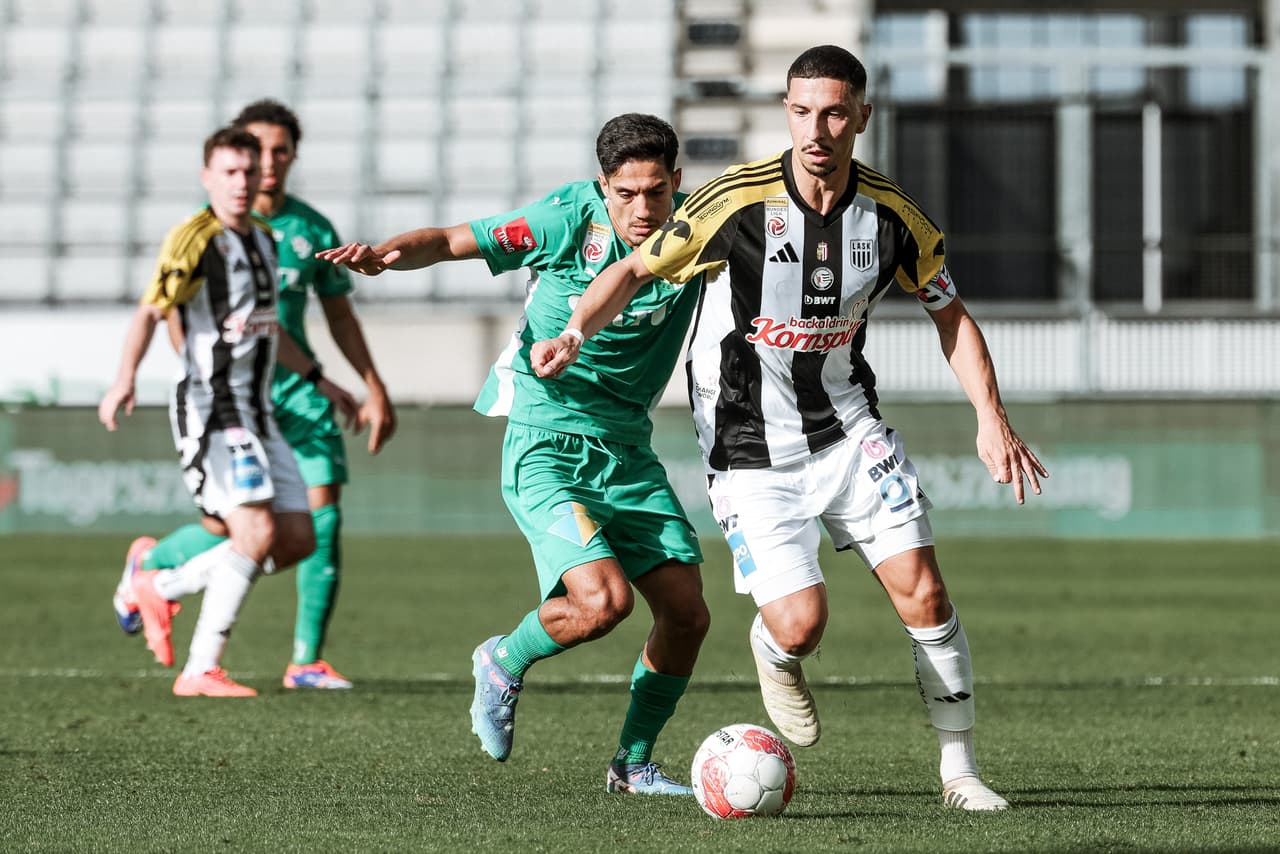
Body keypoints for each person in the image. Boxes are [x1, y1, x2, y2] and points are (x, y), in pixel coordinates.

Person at [531, 46, 1050, 811]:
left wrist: (990, 417)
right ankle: (775, 649)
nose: (817, 129)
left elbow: (951, 314)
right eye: (803, 111)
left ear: (862, 116)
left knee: (926, 593)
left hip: (848, 428)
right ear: (787, 112)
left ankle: (960, 773)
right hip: (747, 445)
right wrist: (576, 329)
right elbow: (635, 270)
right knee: (801, 626)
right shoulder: (733, 202)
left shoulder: (895, 217)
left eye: (835, 113)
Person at [316, 114, 710, 795]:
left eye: (656, 191)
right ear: (603, 186)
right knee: (603, 603)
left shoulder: (700, 228)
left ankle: (632, 765)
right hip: (546, 441)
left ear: (676, 181)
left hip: (628, 449)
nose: (642, 209)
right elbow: (450, 241)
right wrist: (385, 255)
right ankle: (502, 660)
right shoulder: (565, 219)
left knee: (687, 614)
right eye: (626, 194)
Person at [111, 100, 397, 691]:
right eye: (238, 167)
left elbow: (270, 327)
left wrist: (323, 380)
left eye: (262, 162)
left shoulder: (274, 238)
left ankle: (159, 586)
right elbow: (155, 311)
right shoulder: (193, 237)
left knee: (299, 536)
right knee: (248, 531)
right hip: (218, 407)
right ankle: (201, 665)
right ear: (210, 175)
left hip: (270, 403)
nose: (252, 175)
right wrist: (126, 377)